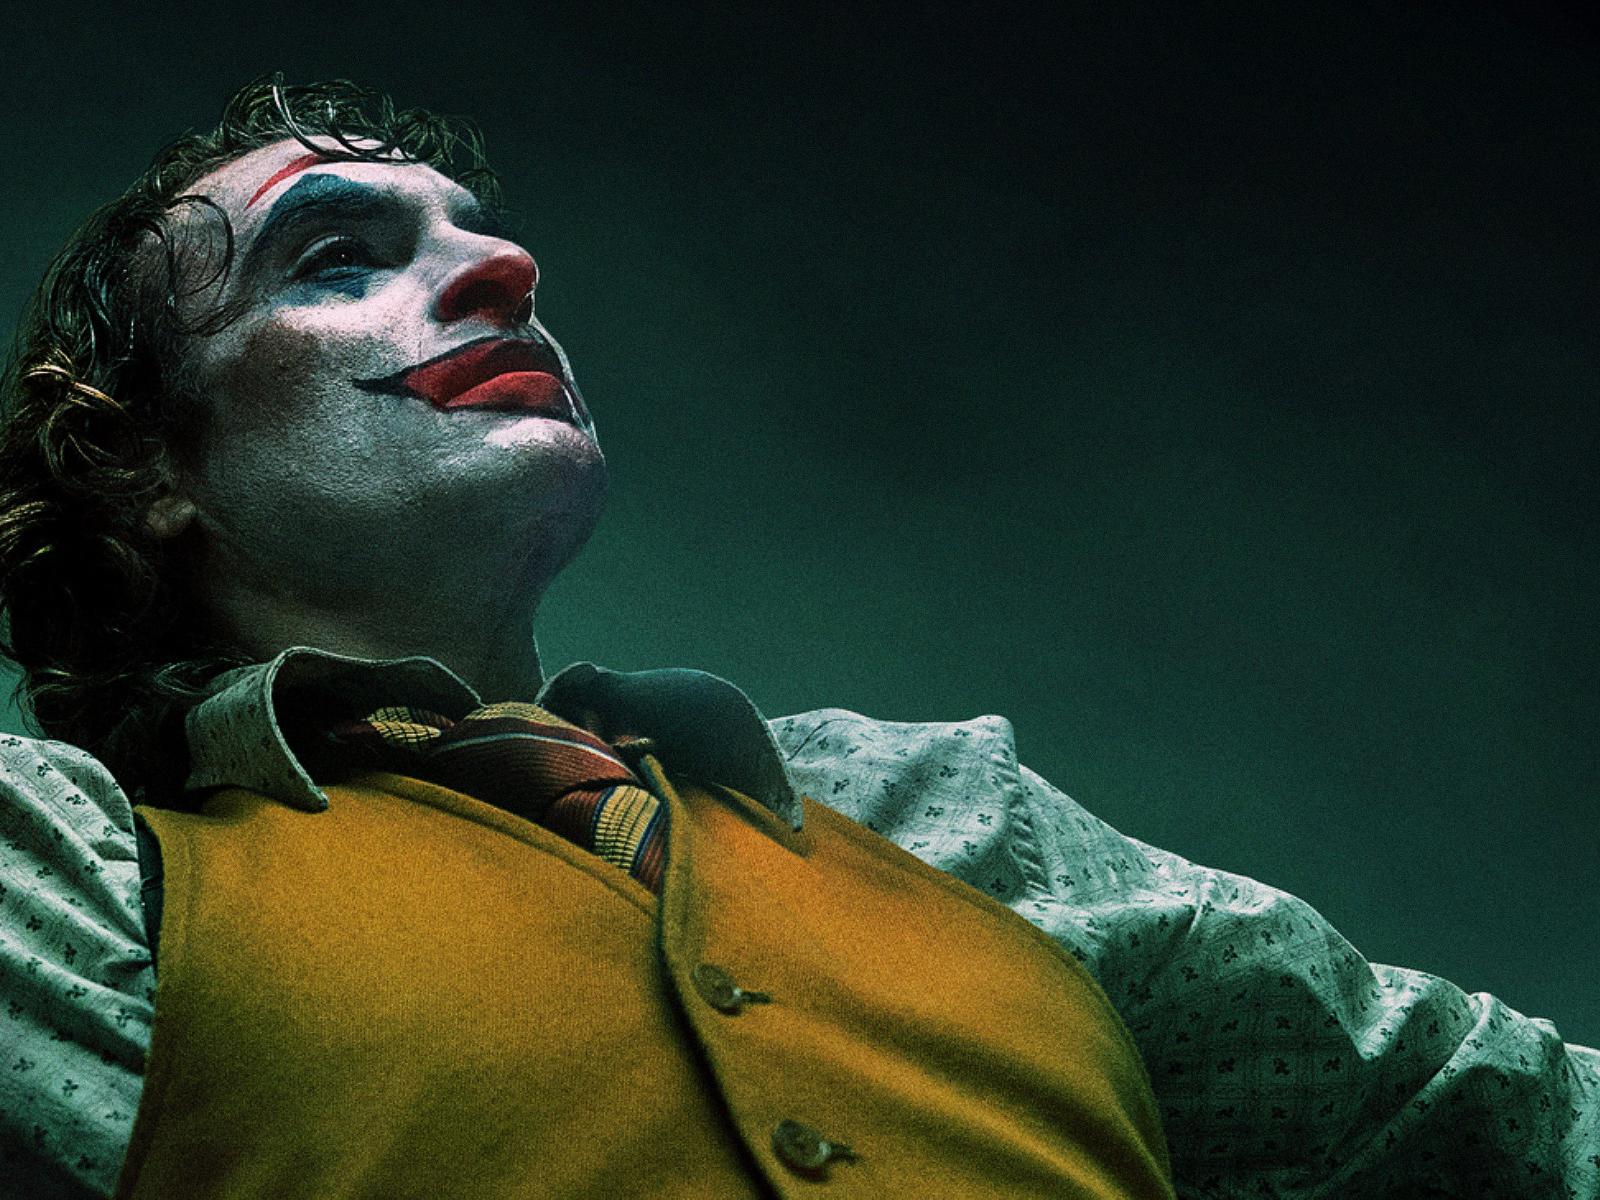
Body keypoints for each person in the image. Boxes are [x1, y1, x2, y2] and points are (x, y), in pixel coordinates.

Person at [0, 77, 1592, 1200]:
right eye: (336, 258)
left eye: (475, 234)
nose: (504, 269)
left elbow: (1512, 1115)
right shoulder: (77, 885)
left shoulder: (939, 817)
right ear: (137, 465)